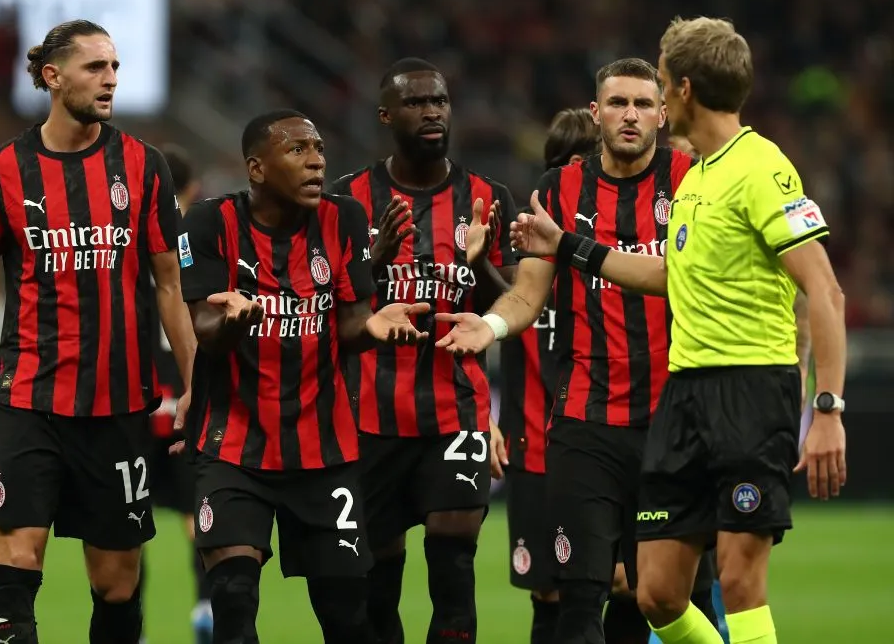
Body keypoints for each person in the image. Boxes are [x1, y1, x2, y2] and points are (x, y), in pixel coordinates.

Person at [504, 17, 847, 644]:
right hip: (683, 397)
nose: (649, 103)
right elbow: (670, 274)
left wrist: (826, 407)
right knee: (658, 592)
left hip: (748, 389)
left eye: (658, 85)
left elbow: (824, 289)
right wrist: (570, 246)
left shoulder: (759, 167)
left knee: (740, 585)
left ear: (681, 92)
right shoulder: (699, 176)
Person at [0, 20, 197, 644]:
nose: (110, 79)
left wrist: (197, 385)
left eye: (114, 67)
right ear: (53, 78)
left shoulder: (143, 166)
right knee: (16, 564)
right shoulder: (0, 172)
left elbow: (170, 285)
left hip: (118, 408)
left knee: (115, 583)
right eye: (95, 68)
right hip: (27, 402)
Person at [434, 57, 722, 644]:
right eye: (618, 103)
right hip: (584, 426)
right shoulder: (558, 190)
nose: (631, 115)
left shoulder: (694, 179)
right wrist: (489, 327)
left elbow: (685, 277)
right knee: (580, 599)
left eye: (644, 104)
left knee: (663, 597)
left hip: (675, 424)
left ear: (664, 115)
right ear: (596, 114)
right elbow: (528, 297)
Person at [179, 109, 431, 644]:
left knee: (347, 617)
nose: (316, 160)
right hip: (233, 449)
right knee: (233, 599)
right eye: (297, 150)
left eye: (318, 148)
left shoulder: (346, 219)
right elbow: (203, 326)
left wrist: (377, 327)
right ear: (257, 168)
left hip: (324, 454)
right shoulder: (207, 223)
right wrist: (229, 318)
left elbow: (351, 323)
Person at [329, 57, 516, 644]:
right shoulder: (346, 202)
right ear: (386, 115)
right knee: (378, 587)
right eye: (415, 102)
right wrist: (373, 259)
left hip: (455, 413)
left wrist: (480, 262)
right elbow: (325, 308)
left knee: (453, 569)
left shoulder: (487, 197)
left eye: (439, 100)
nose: (431, 111)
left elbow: (510, 307)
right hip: (370, 419)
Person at [490, 106, 600, 644]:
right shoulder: (520, 264)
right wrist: (481, 419)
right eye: (570, 164)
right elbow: (474, 328)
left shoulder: (621, 261)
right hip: (533, 450)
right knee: (549, 593)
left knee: (619, 585)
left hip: (604, 443)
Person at [138, 143, 214, 644]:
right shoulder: (204, 243)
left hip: (135, 394)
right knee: (198, 512)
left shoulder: (127, 241)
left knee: (128, 516)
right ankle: (207, 608)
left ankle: (132, 624)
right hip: (194, 390)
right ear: (192, 191)